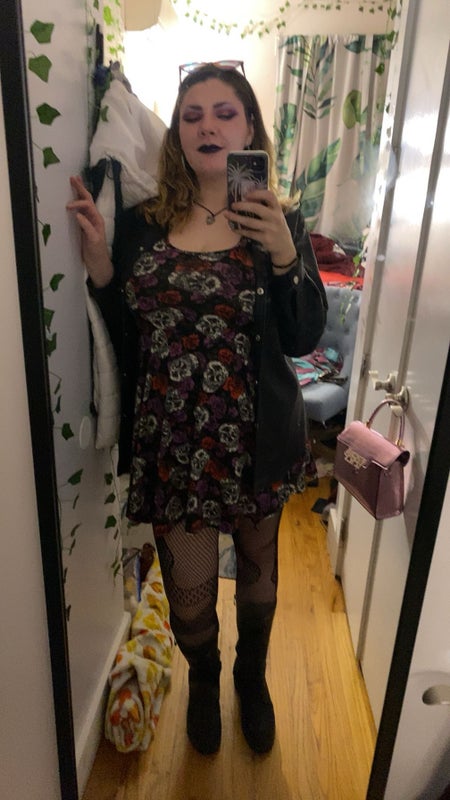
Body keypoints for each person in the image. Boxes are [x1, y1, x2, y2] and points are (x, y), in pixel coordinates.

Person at [68, 62, 327, 756]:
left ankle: (252, 677)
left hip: (257, 437)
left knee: (259, 576)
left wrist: (284, 256)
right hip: (173, 440)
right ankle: (205, 681)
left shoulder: (279, 220)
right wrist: (100, 267)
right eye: (192, 115)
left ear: (249, 129)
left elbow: (304, 337)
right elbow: (126, 334)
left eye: (224, 112)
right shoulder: (142, 225)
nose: (207, 125)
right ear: (177, 134)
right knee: (187, 591)